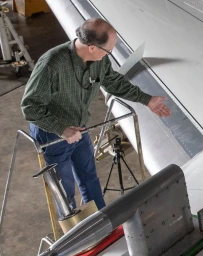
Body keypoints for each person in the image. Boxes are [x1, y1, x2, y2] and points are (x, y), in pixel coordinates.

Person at [21, 18, 171, 212]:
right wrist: (62, 129)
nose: (110, 54)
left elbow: (114, 82)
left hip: (80, 127)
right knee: (64, 188)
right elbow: (30, 107)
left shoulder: (99, 60)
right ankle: (75, 231)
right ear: (92, 47)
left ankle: (101, 221)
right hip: (52, 134)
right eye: (109, 50)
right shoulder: (52, 65)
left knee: (89, 177)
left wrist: (146, 100)